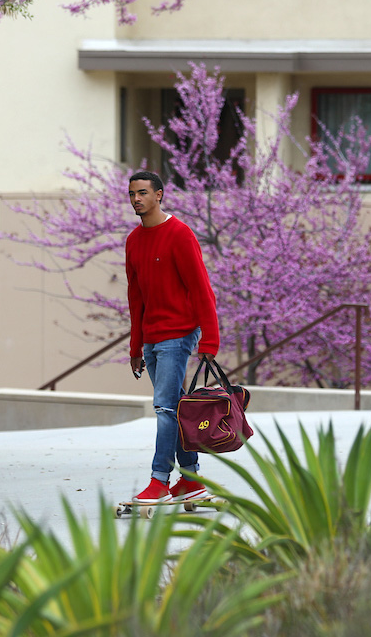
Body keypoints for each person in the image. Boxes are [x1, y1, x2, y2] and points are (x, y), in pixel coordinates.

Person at [125, 170, 221, 503]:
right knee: (176, 408)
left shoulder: (180, 235)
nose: (136, 199)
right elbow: (135, 297)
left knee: (165, 408)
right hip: (151, 339)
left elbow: (201, 290)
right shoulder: (134, 241)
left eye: (142, 193)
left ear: (159, 195)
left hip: (178, 335)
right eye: (132, 194)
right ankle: (191, 480)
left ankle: (159, 480)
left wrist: (209, 341)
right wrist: (136, 345)